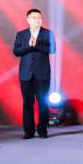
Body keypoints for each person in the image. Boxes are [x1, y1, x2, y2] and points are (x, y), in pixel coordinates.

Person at [13, 8, 56, 139]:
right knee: (27, 104)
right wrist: (29, 46)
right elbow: (16, 51)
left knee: (43, 103)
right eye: (34, 17)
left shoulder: (47, 33)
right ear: (28, 20)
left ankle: (42, 131)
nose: (37, 20)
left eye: (39, 17)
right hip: (26, 74)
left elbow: (52, 49)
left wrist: (36, 45)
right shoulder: (21, 34)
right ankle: (29, 131)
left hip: (42, 73)